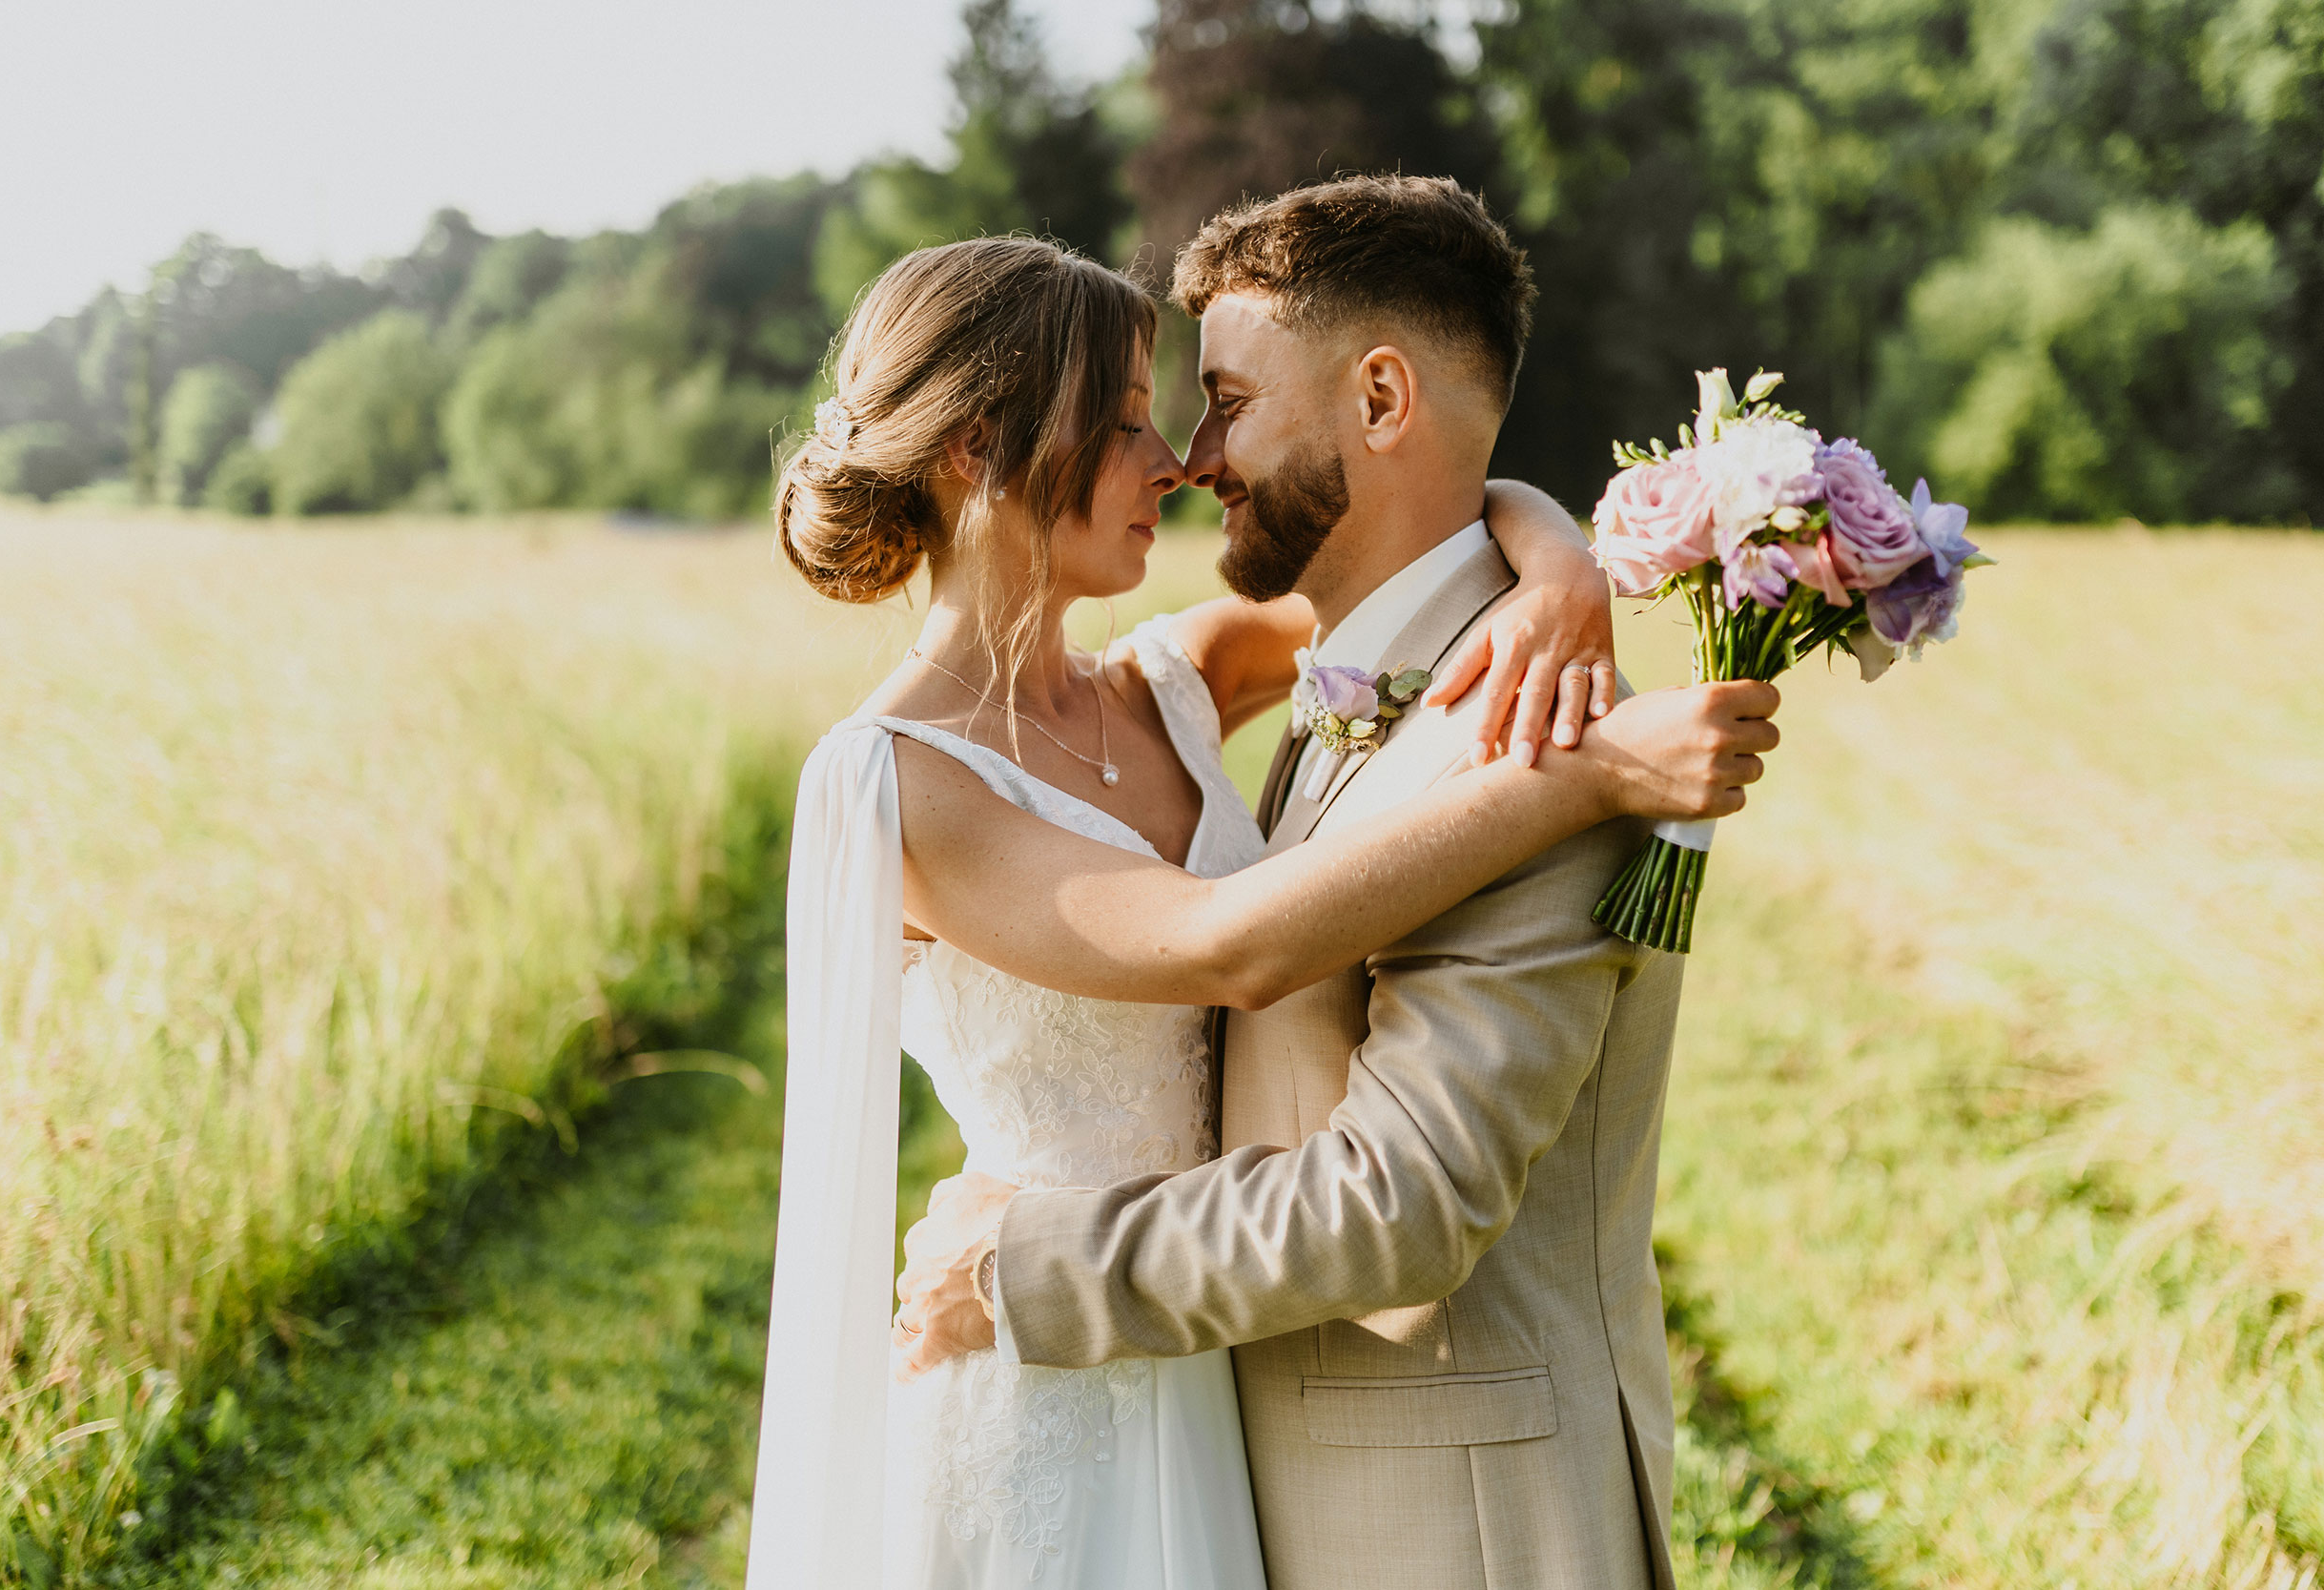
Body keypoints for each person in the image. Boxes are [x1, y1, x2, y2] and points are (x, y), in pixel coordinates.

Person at [749, 212, 1779, 1590]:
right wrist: (1583, 776)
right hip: (1050, 1391)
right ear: (976, 451)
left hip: (1216, 1370)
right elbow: (1229, 946)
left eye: (1183, 411)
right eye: (1125, 421)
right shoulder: (902, 782)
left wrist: (1562, 566)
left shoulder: (1165, 681)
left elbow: (1416, 545)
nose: (1173, 459)